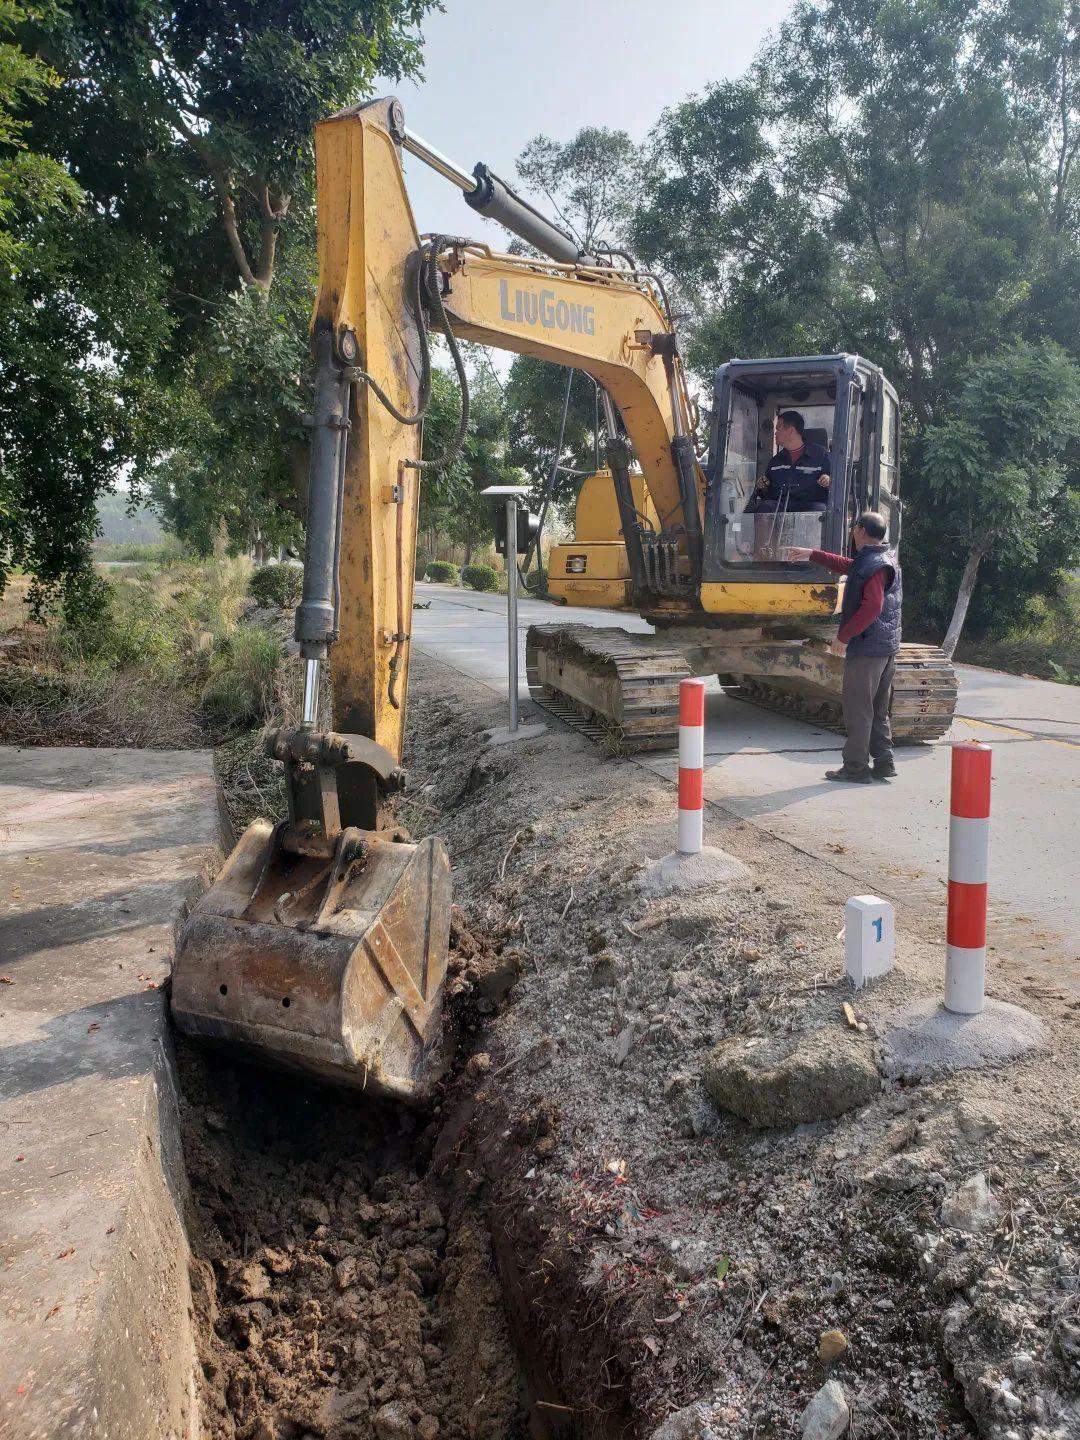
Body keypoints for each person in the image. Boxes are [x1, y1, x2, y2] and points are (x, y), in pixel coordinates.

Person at [785, 511, 901, 783]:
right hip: (885, 647)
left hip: (868, 649)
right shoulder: (880, 558)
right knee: (877, 709)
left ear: (860, 530)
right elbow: (849, 565)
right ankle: (884, 763)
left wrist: (844, 636)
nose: (852, 531)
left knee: (858, 710)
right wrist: (811, 553)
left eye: (854, 527)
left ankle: (856, 768)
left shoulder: (874, 564)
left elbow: (872, 606)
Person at [750, 410, 832, 514]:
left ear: (790, 431)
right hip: (782, 507)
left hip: (810, 506)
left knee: (819, 510)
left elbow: (837, 483)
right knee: (765, 507)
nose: (775, 433)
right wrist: (764, 486)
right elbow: (768, 495)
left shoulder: (821, 455)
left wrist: (828, 480)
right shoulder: (775, 461)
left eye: (778, 429)